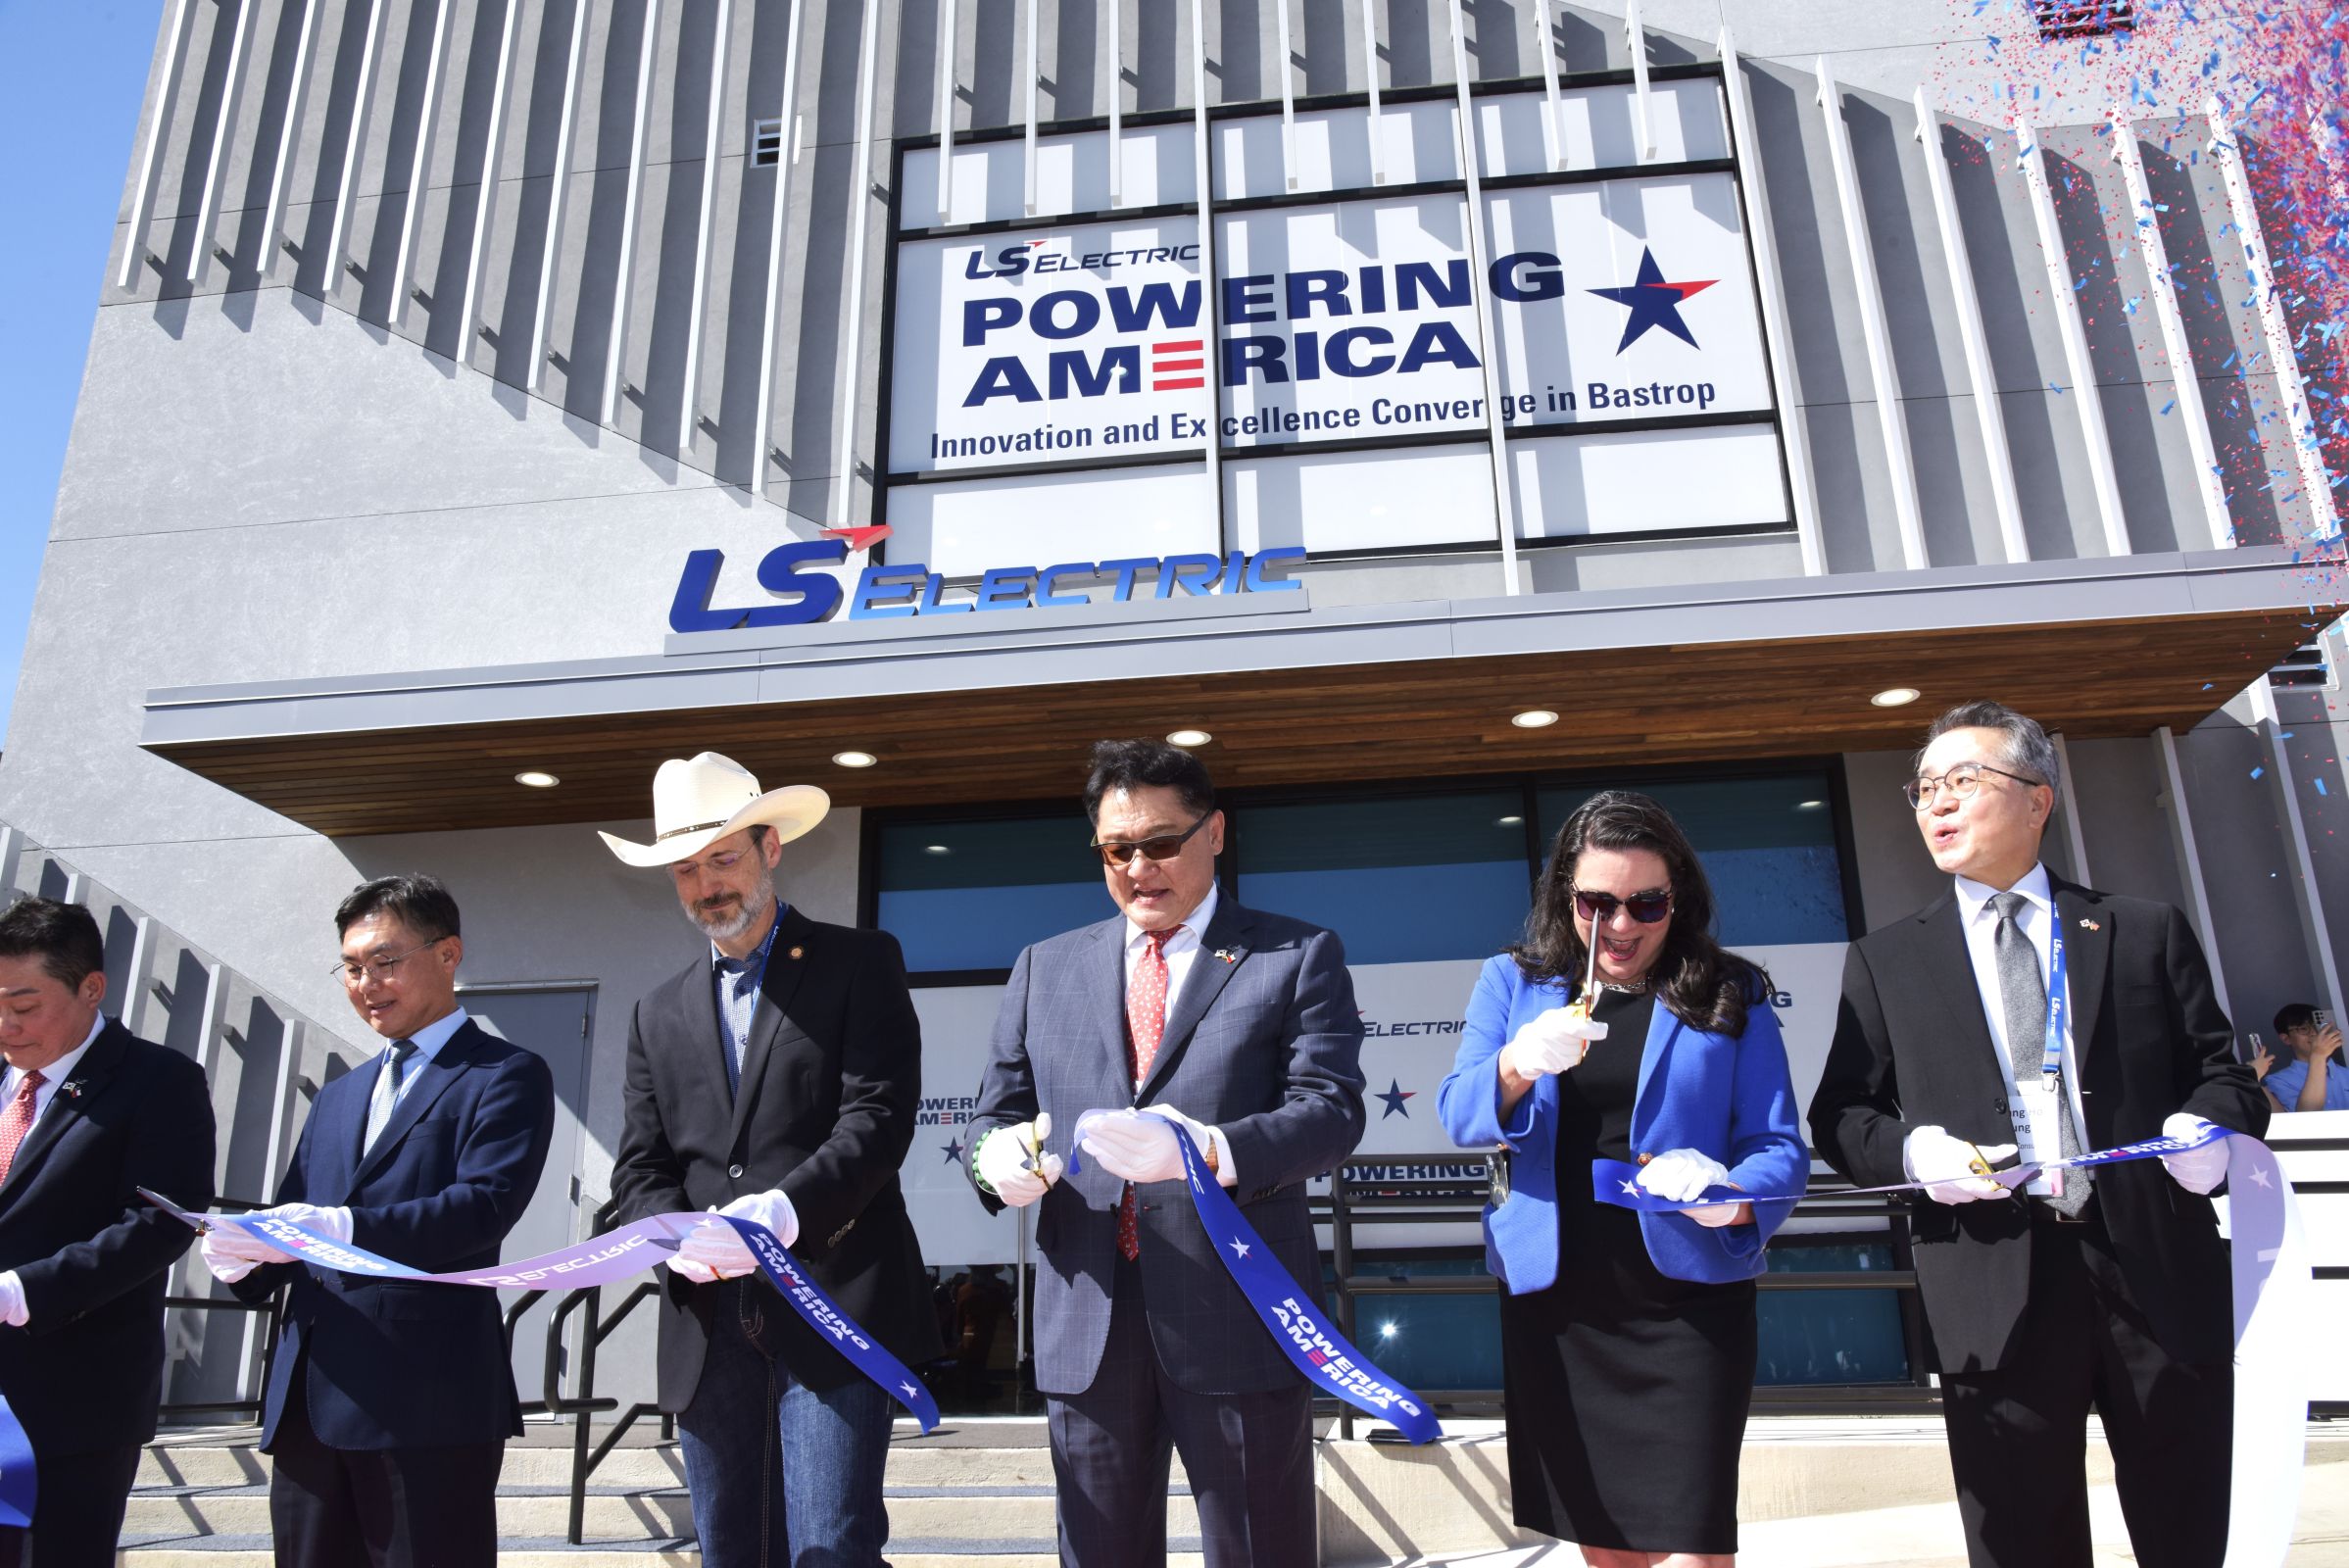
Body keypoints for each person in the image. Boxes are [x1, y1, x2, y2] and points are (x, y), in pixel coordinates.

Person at [1808, 701, 2267, 1568]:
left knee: (2188, 1528)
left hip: (2154, 1269)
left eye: (1961, 781)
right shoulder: (1886, 960)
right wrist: (1914, 1155)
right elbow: (1839, 1115)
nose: (1934, 804)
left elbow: (2225, 1075)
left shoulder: (2140, 928)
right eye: (1923, 788)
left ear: (2035, 798)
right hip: (1991, 1279)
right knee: (2021, 1542)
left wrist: (2208, 1135)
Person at [963, 738, 1366, 1568]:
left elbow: (1330, 1112)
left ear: (1214, 833)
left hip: (1238, 1313)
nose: (1138, 867)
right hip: (1086, 1322)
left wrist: (1207, 1149)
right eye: (1117, 850)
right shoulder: (1045, 966)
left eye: (1160, 843)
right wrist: (994, 1162)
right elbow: (993, 1117)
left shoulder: (1293, 954)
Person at [1437, 792, 1803, 1568]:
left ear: (1679, 900)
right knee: (1604, 1544)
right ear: (1565, 896)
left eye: (1646, 902)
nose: (1623, 924)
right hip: (1562, 1296)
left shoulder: (1729, 989)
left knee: (1699, 1543)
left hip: (1688, 1296)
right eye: (1597, 902)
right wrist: (1514, 1065)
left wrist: (1729, 1195)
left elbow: (1776, 1146)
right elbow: (1459, 1113)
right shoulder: (1512, 983)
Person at [605, 752, 939, 1568]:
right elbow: (639, 1169)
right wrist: (677, 1234)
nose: (706, 884)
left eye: (723, 858)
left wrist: (782, 1212)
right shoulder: (657, 1012)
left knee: (829, 1549)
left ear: (770, 849)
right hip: (706, 1325)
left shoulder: (860, 962)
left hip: (834, 1303)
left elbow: (878, 1117)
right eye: (686, 869)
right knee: (731, 1553)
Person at [200, 875, 555, 1568]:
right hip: (308, 1403)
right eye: (353, 967)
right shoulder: (341, 1094)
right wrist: (245, 1256)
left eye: (385, 961)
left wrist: (344, 1230)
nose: (367, 983)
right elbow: (294, 1216)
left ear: (448, 954)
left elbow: (483, 1207)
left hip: (425, 1402)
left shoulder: (504, 1074)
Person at [0, 898, 214, 1568]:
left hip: (69, 1404)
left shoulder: (159, 1081)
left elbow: (158, 1223)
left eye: (24, 1004)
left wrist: (22, 1290)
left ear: (91, 988)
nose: (5, 1023)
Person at [2259, 1003, 2348, 1112]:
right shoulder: (2279, 1081)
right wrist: (2318, 1056)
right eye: (2303, 1028)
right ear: (2286, 1039)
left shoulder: (2346, 1074)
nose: (2314, 1033)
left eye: (2318, 1026)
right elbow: (2305, 1120)